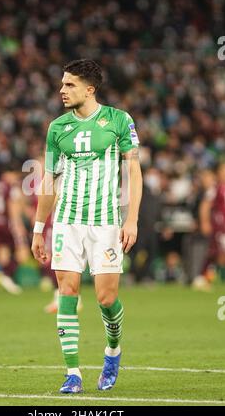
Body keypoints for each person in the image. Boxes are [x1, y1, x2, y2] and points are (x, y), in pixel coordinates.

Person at [31, 59, 142, 393]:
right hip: (67, 222)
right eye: (63, 84)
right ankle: (73, 373)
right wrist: (39, 229)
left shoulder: (118, 120)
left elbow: (133, 172)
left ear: (89, 89)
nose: (62, 90)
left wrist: (131, 219)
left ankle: (112, 350)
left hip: (106, 222)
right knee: (67, 291)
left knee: (107, 299)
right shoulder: (57, 128)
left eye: (70, 85)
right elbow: (49, 181)